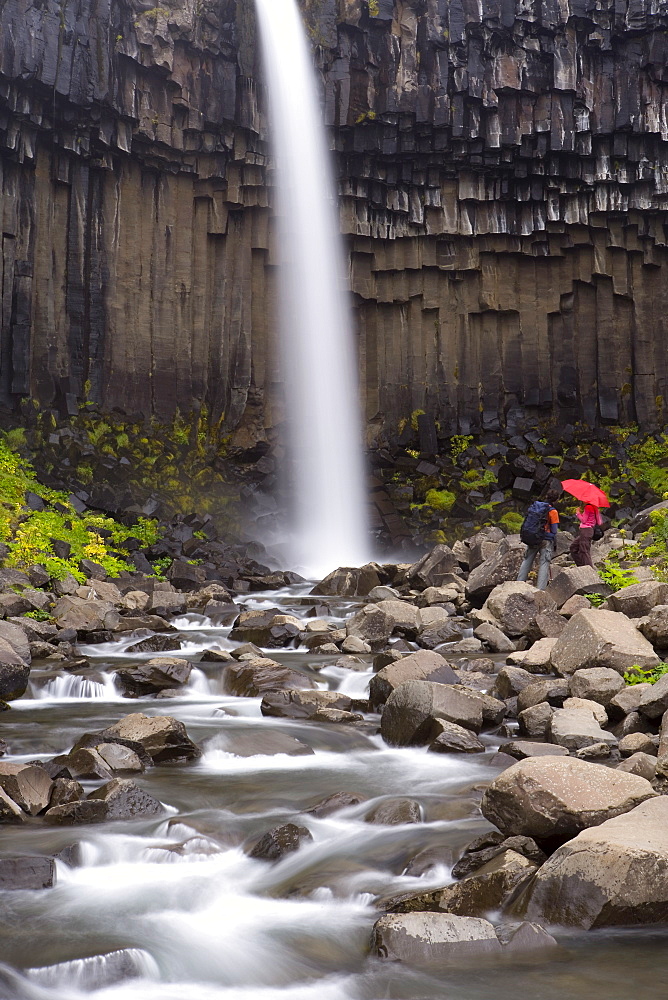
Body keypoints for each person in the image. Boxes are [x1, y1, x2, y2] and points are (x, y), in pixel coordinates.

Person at [517, 489, 560, 590]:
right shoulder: (553, 511)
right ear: (556, 500)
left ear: (546, 496)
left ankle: (518, 584)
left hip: (533, 537)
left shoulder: (536, 506)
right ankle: (540, 590)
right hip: (545, 541)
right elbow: (554, 530)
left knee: (527, 560)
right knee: (544, 564)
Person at [570, 502, 602, 567]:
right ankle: (581, 566)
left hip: (586, 530)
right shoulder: (595, 508)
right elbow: (599, 522)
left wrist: (578, 512)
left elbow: (583, 520)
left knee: (584, 550)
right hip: (589, 531)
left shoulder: (588, 507)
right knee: (573, 547)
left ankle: (589, 569)